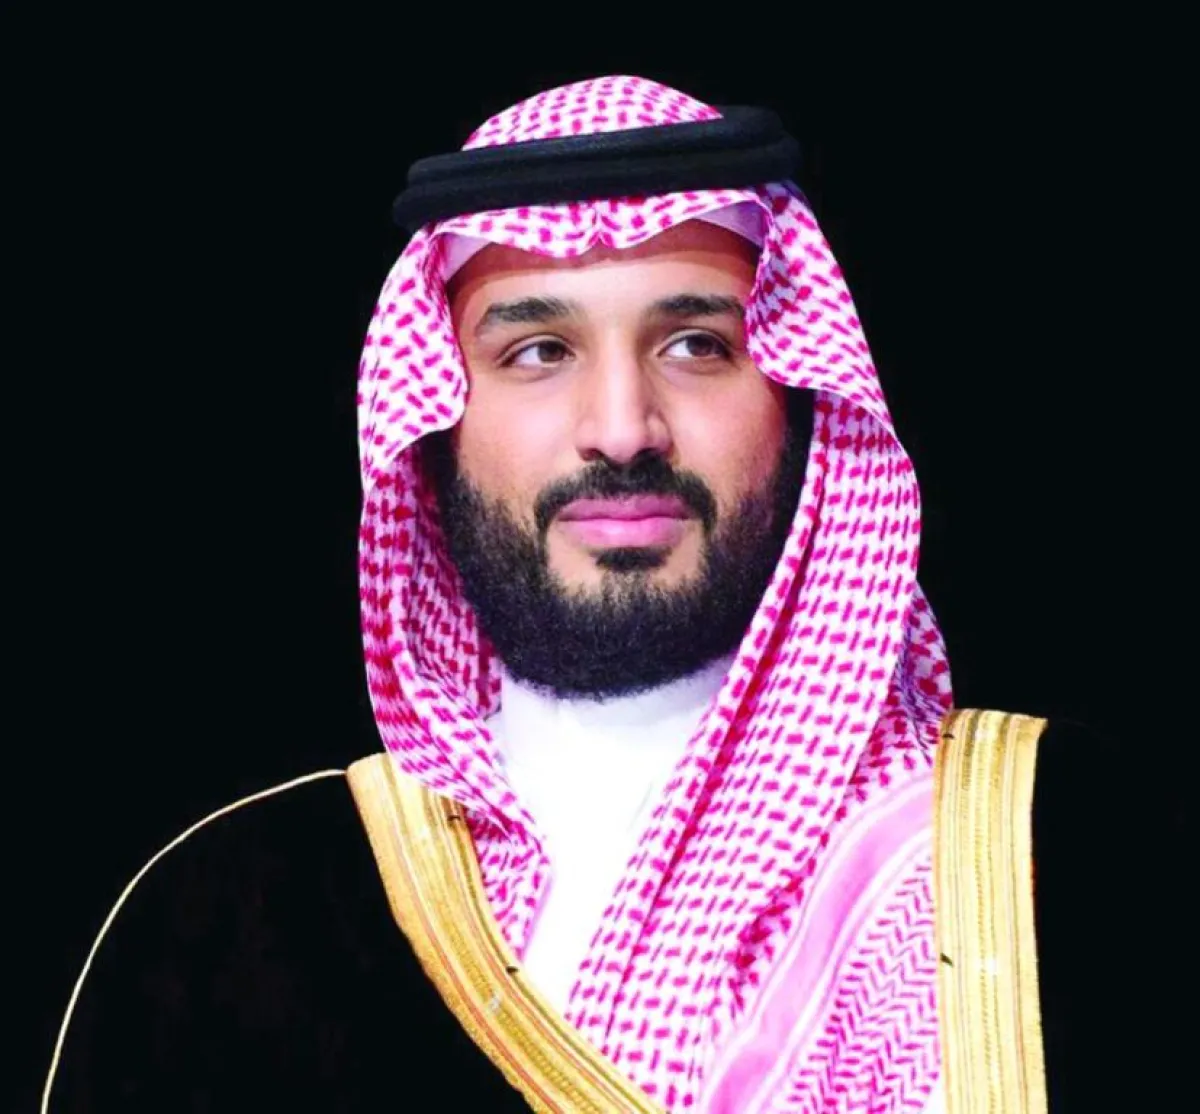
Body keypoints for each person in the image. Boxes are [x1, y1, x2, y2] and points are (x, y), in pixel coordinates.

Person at [41, 75, 1174, 1113]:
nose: (623, 428)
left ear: (799, 396)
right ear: (435, 421)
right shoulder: (230, 915)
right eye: (539, 351)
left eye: (695, 344)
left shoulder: (1072, 850)